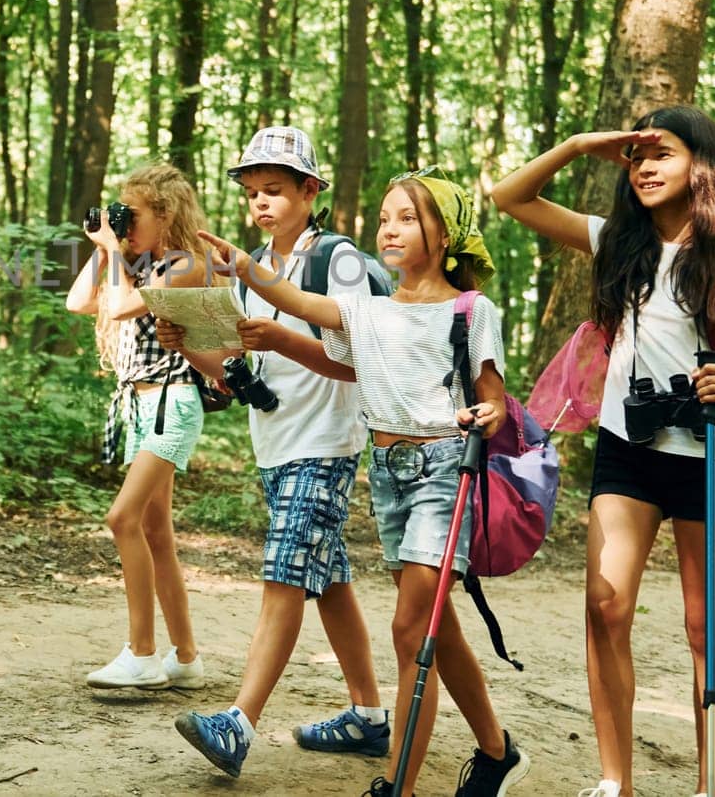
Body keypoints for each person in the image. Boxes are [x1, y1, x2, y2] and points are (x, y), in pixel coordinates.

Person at [199, 171, 531, 797]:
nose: (390, 228)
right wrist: (244, 267)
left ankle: (395, 787)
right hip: (389, 481)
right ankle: (496, 749)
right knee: (434, 626)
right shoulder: (369, 311)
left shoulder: (471, 311)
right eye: (384, 218)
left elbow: (495, 401)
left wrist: (488, 414)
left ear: (446, 231)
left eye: (407, 217)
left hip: (445, 471)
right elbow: (300, 307)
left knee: (411, 627)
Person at [490, 105, 715, 797]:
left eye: (662, 153)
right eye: (636, 156)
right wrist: (583, 143)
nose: (645, 167)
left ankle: (710, 786)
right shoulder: (618, 241)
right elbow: (507, 196)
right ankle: (615, 779)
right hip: (629, 447)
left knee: (705, 625)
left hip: (709, 452)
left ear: (700, 164)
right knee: (605, 602)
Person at [159, 127, 388, 780]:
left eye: (276, 191)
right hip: (276, 444)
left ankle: (237, 722)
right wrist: (188, 343)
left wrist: (282, 340)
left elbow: (361, 363)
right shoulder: (253, 266)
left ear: (310, 191)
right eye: (252, 192)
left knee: (286, 572)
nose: (261, 203)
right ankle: (369, 717)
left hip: (326, 443)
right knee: (330, 580)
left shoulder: (338, 259)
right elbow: (240, 367)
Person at [66, 162, 220, 691]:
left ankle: (143, 653)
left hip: (173, 405)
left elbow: (122, 306)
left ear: (165, 214)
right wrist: (105, 245)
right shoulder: (137, 262)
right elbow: (79, 301)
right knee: (157, 533)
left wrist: (113, 251)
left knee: (121, 518)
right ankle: (186, 657)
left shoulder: (185, 264)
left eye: (133, 214)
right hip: (139, 406)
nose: (124, 221)